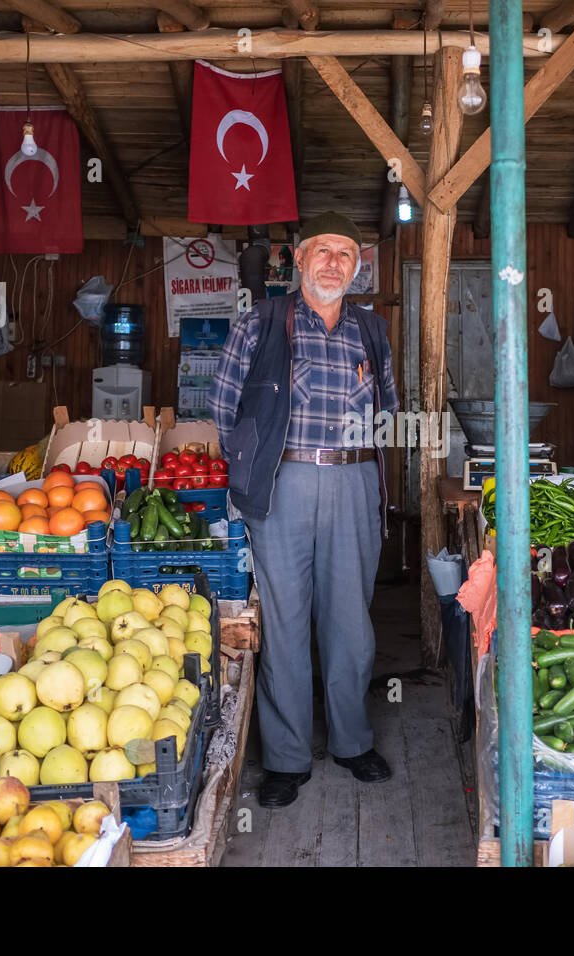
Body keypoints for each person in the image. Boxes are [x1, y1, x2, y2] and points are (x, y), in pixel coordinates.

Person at [209, 212, 398, 809]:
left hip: (354, 480)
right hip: (284, 480)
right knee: (286, 621)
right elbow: (222, 410)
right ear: (298, 259)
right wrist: (253, 475)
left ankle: (351, 742)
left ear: (357, 265)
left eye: (346, 253)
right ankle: (287, 758)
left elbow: (390, 407)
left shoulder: (371, 328)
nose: (335, 263)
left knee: (351, 619)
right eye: (323, 251)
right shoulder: (261, 322)